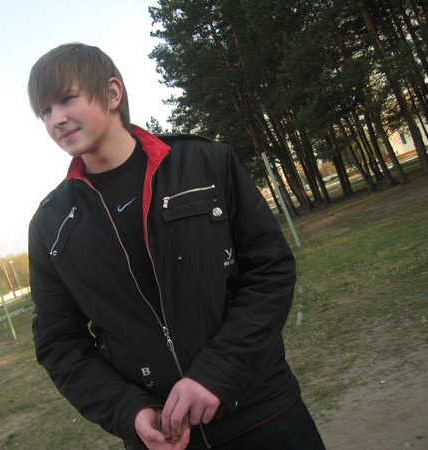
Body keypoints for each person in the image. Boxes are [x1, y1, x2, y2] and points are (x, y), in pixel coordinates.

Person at [27, 43, 325, 450]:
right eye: (44, 111)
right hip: (164, 439)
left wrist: (217, 372)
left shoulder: (206, 162)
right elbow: (59, 343)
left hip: (264, 414)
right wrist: (128, 410)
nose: (56, 119)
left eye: (66, 99)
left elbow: (270, 269)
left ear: (112, 93)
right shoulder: (50, 225)